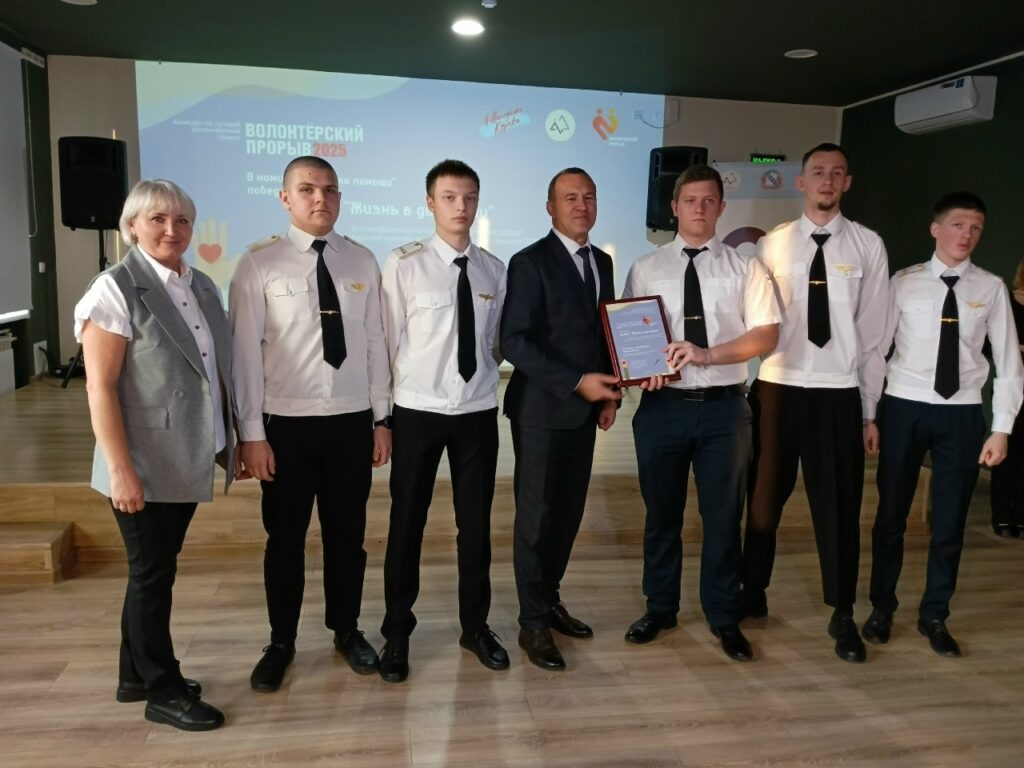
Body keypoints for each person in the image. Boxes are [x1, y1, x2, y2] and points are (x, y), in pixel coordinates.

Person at [75, 179, 234, 731]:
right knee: (151, 575)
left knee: (154, 571)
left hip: (185, 454)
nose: (172, 230)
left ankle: (134, 675)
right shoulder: (114, 288)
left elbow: (212, 369)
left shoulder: (201, 284)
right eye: (158, 219)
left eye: (182, 220)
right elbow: (100, 387)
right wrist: (121, 471)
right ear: (132, 227)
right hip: (142, 463)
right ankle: (163, 690)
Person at [230, 156, 391, 692]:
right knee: (285, 540)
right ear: (285, 198)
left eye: (330, 189)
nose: (321, 198)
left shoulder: (362, 261)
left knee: (348, 536)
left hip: (350, 423)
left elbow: (374, 344)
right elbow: (244, 355)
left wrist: (382, 418)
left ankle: (347, 629)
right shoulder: (258, 263)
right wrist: (251, 435)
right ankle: (281, 641)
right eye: (307, 189)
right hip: (286, 426)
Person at [622, 165, 780, 661]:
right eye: (690, 200)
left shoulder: (745, 268)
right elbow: (630, 336)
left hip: (724, 411)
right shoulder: (645, 268)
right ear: (674, 207)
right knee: (661, 516)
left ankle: (723, 614)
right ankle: (660, 607)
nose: (699, 208)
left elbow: (765, 334)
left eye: (709, 200)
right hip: (662, 409)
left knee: (723, 518)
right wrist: (640, 371)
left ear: (721, 207)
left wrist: (707, 355)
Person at [741, 142, 890, 663]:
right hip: (777, 387)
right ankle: (751, 591)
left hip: (838, 392)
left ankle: (842, 610)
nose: (827, 180)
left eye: (837, 173)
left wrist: (869, 410)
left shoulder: (868, 246)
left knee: (839, 506)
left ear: (847, 183)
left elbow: (873, 337)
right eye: (818, 172)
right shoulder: (772, 245)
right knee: (762, 501)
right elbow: (754, 321)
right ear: (801, 182)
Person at [861, 192, 1023, 656]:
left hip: (962, 414)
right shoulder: (903, 283)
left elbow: (1009, 362)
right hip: (903, 408)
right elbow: (876, 352)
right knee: (891, 517)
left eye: (975, 228)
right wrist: (869, 413)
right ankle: (881, 607)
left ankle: (935, 614)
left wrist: (1002, 428)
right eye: (957, 225)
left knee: (950, 521)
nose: (966, 235)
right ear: (936, 229)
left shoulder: (991, 289)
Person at [377, 160, 508, 682]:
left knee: (475, 526)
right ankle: (396, 632)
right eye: (450, 197)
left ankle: (475, 626)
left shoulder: (493, 269)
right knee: (407, 522)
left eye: (470, 197)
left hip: (476, 411)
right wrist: (382, 416)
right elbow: (385, 343)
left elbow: (494, 343)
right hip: (418, 411)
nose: (461, 206)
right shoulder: (403, 264)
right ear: (430, 202)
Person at [500, 167, 621, 670]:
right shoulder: (529, 262)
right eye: (570, 198)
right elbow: (514, 340)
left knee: (568, 514)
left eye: (589, 197)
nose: (581, 205)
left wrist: (612, 393)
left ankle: (549, 601)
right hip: (541, 412)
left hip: (586, 413)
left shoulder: (602, 262)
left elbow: (605, 332)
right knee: (536, 519)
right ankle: (531, 623)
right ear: (550, 208)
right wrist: (576, 382)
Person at [989, 259, 1024, 538]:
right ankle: (1001, 516)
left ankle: (1021, 517)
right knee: (1005, 449)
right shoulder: (1006, 301)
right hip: (1009, 386)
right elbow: (993, 345)